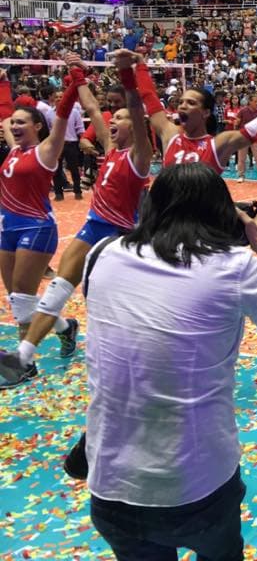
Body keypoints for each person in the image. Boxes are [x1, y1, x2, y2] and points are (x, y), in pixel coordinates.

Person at [62, 163, 257, 560]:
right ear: (220, 214)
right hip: (196, 485)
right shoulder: (234, 265)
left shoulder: (102, 254)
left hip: (111, 483)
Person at [0, 52, 151, 386]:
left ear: (134, 126)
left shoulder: (140, 155)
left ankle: (142, 351)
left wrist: (129, 76)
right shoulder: (110, 149)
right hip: (95, 224)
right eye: (116, 116)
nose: (114, 119)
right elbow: (93, 109)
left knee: (122, 299)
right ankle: (23, 357)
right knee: (59, 287)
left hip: (121, 233)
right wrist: (76, 75)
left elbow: (140, 113)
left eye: (122, 117)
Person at [0, 57, 79, 377]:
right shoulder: (14, 150)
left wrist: (75, 79)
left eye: (23, 123)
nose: (15, 126)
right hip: (7, 228)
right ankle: (65, 328)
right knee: (19, 297)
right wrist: (4, 81)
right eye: (14, 123)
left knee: (21, 296)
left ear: (38, 126)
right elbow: (5, 116)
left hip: (37, 227)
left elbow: (61, 115)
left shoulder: (47, 151)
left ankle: (23, 365)